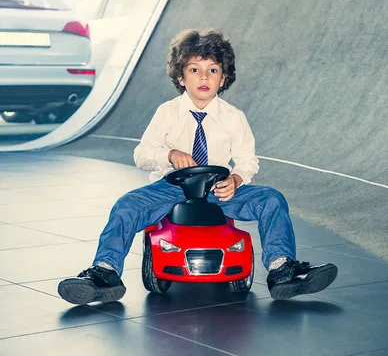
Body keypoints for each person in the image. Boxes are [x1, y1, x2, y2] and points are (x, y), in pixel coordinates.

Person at [58, 29, 337, 305]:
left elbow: (247, 159)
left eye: (212, 70)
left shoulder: (233, 117)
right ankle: (105, 273)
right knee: (126, 206)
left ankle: (281, 268)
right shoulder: (167, 113)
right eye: (194, 69)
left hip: (218, 192)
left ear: (223, 78)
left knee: (272, 200)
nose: (204, 77)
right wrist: (169, 155)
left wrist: (237, 178)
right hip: (171, 189)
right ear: (181, 76)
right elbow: (141, 153)